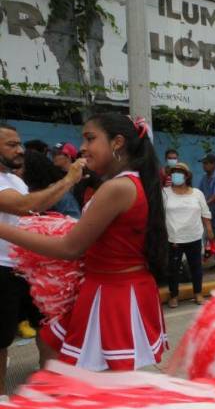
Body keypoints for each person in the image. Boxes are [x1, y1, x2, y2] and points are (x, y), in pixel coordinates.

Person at [0, 114, 168, 373]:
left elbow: (70, 248)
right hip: (104, 288)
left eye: (90, 138)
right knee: (57, 354)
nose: (83, 147)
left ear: (118, 142)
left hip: (112, 295)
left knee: (96, 381)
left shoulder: (118, 187)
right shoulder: (125, 182)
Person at [0, 124, 82, 394]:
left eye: (19, 143)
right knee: (2, 339)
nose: (20, 150)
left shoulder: (15, 180)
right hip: (2, 269)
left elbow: (35, 208)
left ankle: (50, 387)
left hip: (27, 267)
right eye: (11, 144)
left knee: (46, 327)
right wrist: (68, 180)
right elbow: (25, 206)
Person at [162, 162, 213, 307]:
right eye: (174, 172)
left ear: (187, 176)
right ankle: (174, 296)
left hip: (194, 236)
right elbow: (158, 215)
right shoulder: (164, 193)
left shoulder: (197, 193)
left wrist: (209, 230)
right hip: (173, 238)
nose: (176, 174)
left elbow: (205, 213)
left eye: (180, 172)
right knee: (173, 269)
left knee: (196, 267)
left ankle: (198, 293)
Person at [23, 150, 81, 219]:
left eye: (57, 154)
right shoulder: (19, 189)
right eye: (53, 154)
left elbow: (74, 220)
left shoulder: (61, 195)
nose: (54, 157)